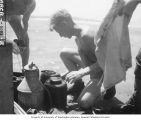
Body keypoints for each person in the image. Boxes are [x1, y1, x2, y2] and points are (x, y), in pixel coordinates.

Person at [49, 9, 116, 109]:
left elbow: (107, 61)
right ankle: (78, 85)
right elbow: (88, 59)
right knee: (64, 53)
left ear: (64, 24)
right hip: (95, 69)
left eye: (59, 31)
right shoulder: (78, 38)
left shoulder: (88, 35)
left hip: (105, 75)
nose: (61, 35)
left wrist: (80, 73)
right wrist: (67, 73)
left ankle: (107, 89)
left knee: (83, 103)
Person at [6, 0, 36, 67]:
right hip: (7, 8)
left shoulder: (31, 4)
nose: (25, 9)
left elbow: (25, 23)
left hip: (13, 11)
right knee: (4, 44)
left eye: (28, 3)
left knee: (25, 40)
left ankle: (24, 69)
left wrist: (22, 40)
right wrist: (10, 43)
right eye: (25, 2)